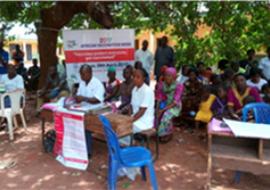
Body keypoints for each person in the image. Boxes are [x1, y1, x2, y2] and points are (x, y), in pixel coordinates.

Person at [156, 67, 184, 142]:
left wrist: (162, 110)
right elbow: (159, 98)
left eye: (169, 75)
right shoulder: (161, 84)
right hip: (164, 104)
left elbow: (175, 102)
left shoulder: (179, 85)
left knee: (166, 115)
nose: (167, 77)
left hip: (175, 106)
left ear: (174, 77)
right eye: (166, 75)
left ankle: (168, 134)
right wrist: (158, 109)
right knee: (155, 114)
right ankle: (161, 132)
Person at [130, 68, 155, 134]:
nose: (135, 79)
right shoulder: (134, 89)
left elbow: (142, 111)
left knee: (124, 128)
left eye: (138, 77)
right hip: (135, 118)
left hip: (144, 122)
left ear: (143, 78)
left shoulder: (147, 91)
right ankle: (128, 142)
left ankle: (131, 142)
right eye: (134, 76)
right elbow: (131, 106)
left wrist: (130, 121)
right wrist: (128, 118)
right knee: (120, 126)